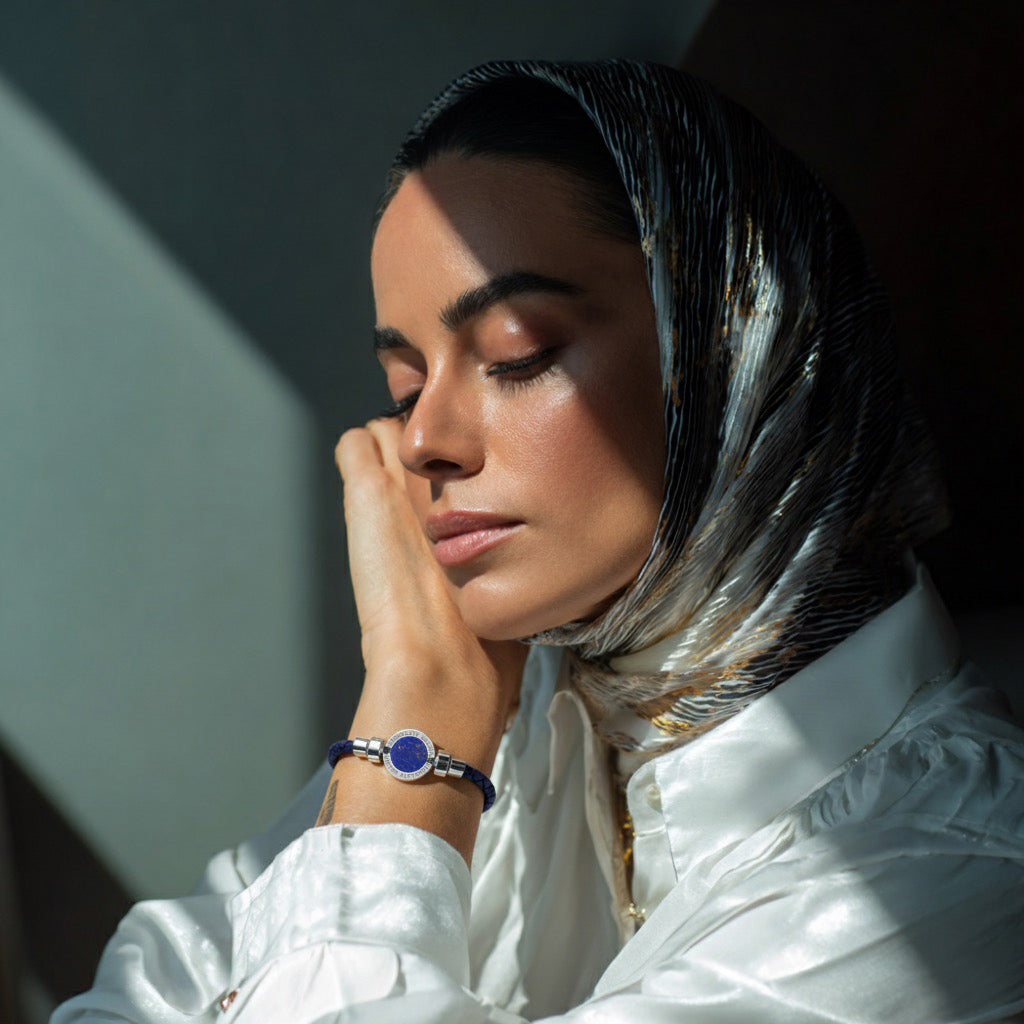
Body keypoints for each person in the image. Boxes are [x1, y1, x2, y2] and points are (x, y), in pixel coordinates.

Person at [53, 59, 1024, 1023]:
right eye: (404, 384)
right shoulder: (508, 713)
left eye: (516, 355)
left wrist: (415, 759)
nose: (422, 438)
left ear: (738, 354)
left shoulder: (947, 873)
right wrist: (420, 741)